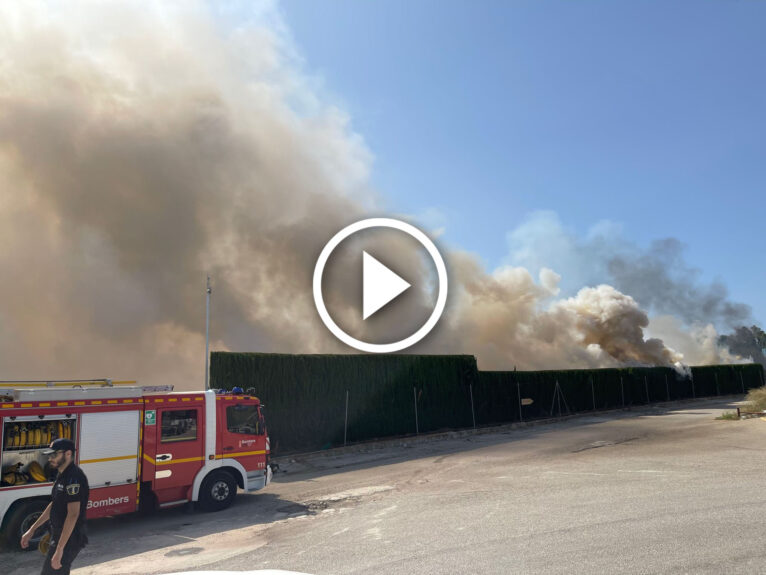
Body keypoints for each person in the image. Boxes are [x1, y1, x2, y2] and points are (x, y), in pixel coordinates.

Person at [21, 437, 89, 575]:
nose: (50, 458)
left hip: (69, 539)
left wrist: (59, 549)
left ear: (68, 454)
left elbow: (73, 514)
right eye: (49, 455)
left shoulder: (74, 478)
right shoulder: (62, 474)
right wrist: (32, 529)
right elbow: (55, 504)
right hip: (59, 536)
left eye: (54, 454)